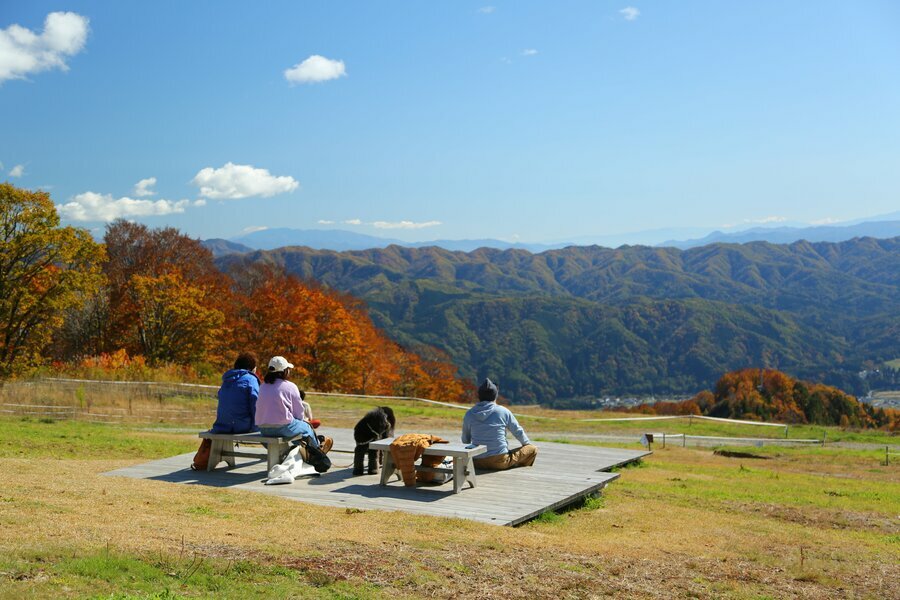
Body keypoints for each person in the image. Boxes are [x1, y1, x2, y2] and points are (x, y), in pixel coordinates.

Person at [256, 356, 331, 453]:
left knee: (295, 427)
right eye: (288, 369)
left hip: (263, 429)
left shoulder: (262, 387)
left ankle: (296, 451)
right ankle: (317, 452)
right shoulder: (290, 386)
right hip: (283, 427)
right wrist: (302, 421)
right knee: (306, 428)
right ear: (284, 371)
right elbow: (299, 413)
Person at [461, 378, 537, 470]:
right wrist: (526, 445)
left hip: (476, 461)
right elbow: (518, 431)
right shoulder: (502, 411)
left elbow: (465, 440)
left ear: (479, 396)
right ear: (495, 396)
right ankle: (515, 465)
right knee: (532, 449)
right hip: (499, 461)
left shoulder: (469, 413)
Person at [209, 352, 260, 434]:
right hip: (241, 426)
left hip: (222, 426)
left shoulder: (226, 380)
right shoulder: (251, 379)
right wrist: (256, 427)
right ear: (252, 368)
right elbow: (256, 404)